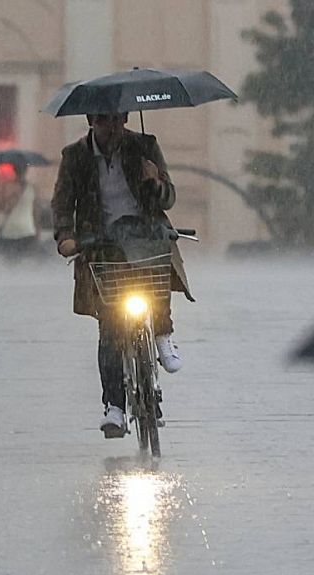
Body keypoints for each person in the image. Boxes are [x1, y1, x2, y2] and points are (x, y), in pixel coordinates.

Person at [52, 112, 193, 437]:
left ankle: (162, 334)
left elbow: (168, 198)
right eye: (103, 121)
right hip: (101, 244)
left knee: (157, 278)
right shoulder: (74, 157)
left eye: (116, 120)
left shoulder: (144, 146)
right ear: (91, 121)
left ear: (126, 118)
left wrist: (155, 181)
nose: (111, 127)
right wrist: (64, 237)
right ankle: (114, 406)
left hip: (145, 236)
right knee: (111, 327)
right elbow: (61, 203)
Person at [0, 164, 42, 259]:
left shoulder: (8, 187)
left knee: (10, 265)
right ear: (25, 171)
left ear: (14, 171)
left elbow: (0, 208)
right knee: (27, 264)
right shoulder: (32, 188)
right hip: (28, 230)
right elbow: (35, 212)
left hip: (9, 232)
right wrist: (38, 231)